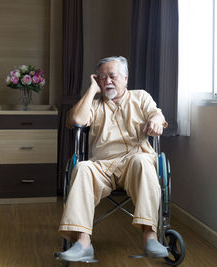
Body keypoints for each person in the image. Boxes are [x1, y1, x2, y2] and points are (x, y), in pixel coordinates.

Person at [57, 56, 169, 262]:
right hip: (102, 166)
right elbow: (75, 121)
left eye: (112, 76)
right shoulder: (95, 104)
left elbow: (157, 114)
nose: (107, 81)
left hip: (135, 162)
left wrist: (155, 119)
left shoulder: (140, 97)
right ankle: (83, 243)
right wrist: (91, 90)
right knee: (82, 167)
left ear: (125, 78)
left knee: (144, 161)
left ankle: (150, 237)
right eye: (101, 77)